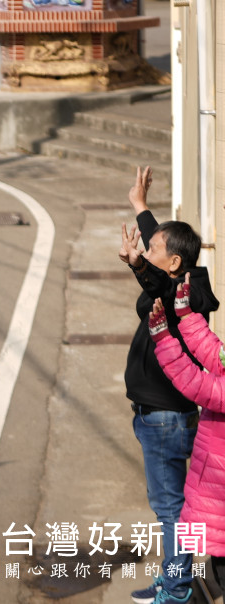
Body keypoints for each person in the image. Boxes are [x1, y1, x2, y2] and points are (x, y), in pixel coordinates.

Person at [118, 166, 220, 604]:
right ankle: (173, 581)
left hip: (164, 419)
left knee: (170, 510)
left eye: (153, 247)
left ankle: (176, 591)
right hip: (159, 417)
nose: (146, 244)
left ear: (174, 262)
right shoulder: (182, 280)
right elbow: (165, 258)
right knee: (170, 506)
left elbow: (159, 276)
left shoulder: (184, 295)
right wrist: (141, 207)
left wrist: (140, 264)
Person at [150, 279, 225, 603]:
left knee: (221, 569)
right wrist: (185, 314)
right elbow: (213, 351)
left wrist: (165, 338)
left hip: (219, 489)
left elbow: (196, 383)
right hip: (217, 489)